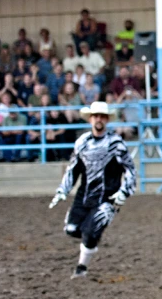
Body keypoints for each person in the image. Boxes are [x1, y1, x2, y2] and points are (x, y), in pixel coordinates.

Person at [48, 101, 136, 278]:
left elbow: (130, 169)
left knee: (90, 232)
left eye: (102, 116)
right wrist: (62, 190)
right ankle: (91, 236)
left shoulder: (115, 143)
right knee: (71, 229)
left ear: (107, 120)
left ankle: (82, 267)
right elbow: (73, 169)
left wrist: (124, 192)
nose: (99, 119)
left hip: (107, 198)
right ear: (90, 119)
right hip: (84, 196)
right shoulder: (82, 143)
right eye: (96, 116)